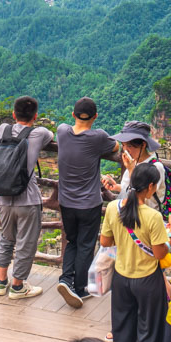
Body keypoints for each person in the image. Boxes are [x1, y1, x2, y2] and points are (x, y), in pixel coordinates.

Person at [101, 162, 171, 342]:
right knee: (148, 328)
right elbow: (161, 254)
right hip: (148, 280)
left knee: (122, 325)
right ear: (150, 187)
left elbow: (105, 242)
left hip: (121, 277)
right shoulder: (153, 216)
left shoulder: (113, 207)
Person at [56, 97, 121, 308]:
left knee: (73, 241)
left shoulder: (62, 131)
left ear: (73, 114)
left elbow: (67, 127)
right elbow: (116, 146)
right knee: (86, 245)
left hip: (66, 202)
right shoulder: (98, 137)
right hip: (89, 203)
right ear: (95, 117)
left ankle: (66, 279)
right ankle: (79, 288)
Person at [0, 95, 53, 299]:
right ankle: (18, 287)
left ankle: (2, 282)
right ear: (35, 116)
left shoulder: (3, 129)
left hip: (3, 197)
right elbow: (50, 135)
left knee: (6, 239)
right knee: (26, 242)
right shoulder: (39, 133)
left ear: (13, 114)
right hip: (27, 199)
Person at [112, 121, 171, 234]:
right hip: (130, 220)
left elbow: (141, 195)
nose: (125, 150)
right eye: (123, 145)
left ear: (143, 145)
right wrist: (117, 187)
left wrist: (131, 170)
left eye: (129, 145)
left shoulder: (155, 168)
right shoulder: (132, 162)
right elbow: (129, 189)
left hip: (147, 223)